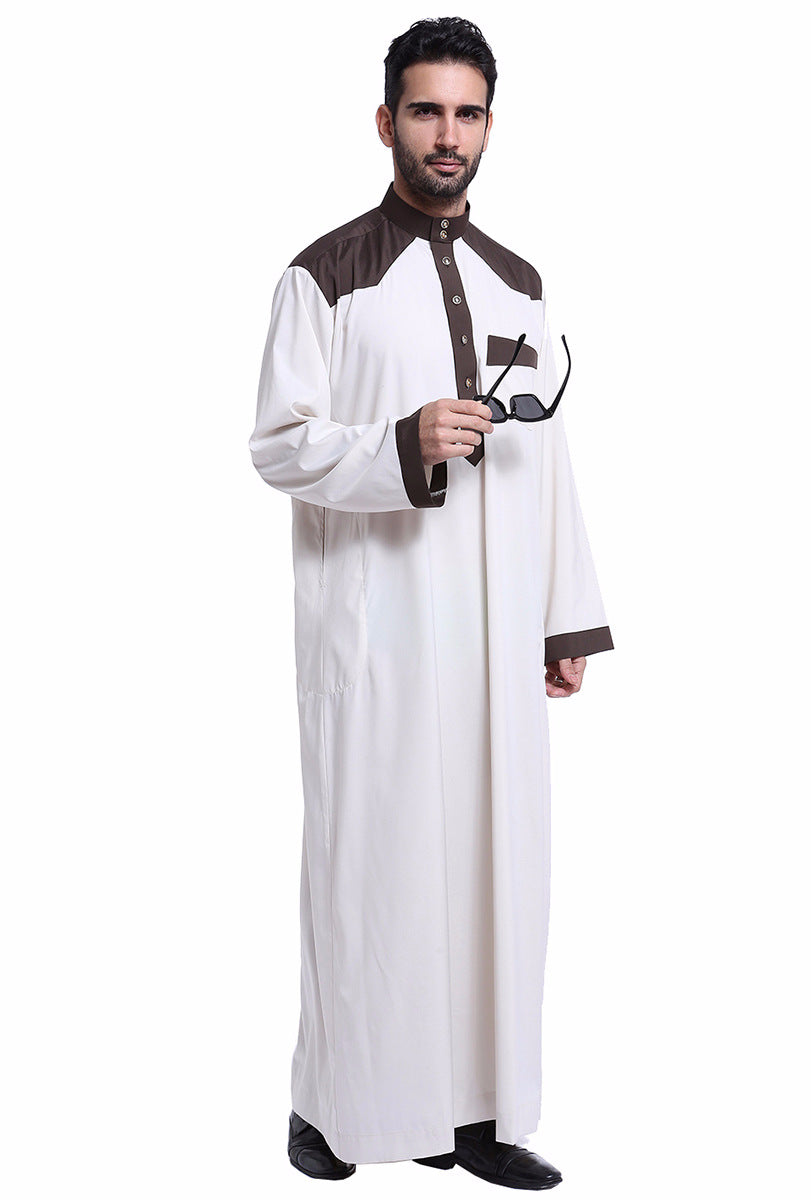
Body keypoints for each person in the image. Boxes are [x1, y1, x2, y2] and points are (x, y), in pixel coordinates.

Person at [249, 16, 614, 1189]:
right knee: (371, 874)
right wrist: (400, 442)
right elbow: (278, 444)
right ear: (386, 122)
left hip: (497, 634)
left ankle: (479, 1116)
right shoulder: (327, 274)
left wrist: (563, 617)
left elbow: (549, 457)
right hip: (378, 634)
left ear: (489, 126)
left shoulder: (522, 283)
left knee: (496, 874)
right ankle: (333, 1108)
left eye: (466, 113)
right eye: (425, 111)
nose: (446, 134)